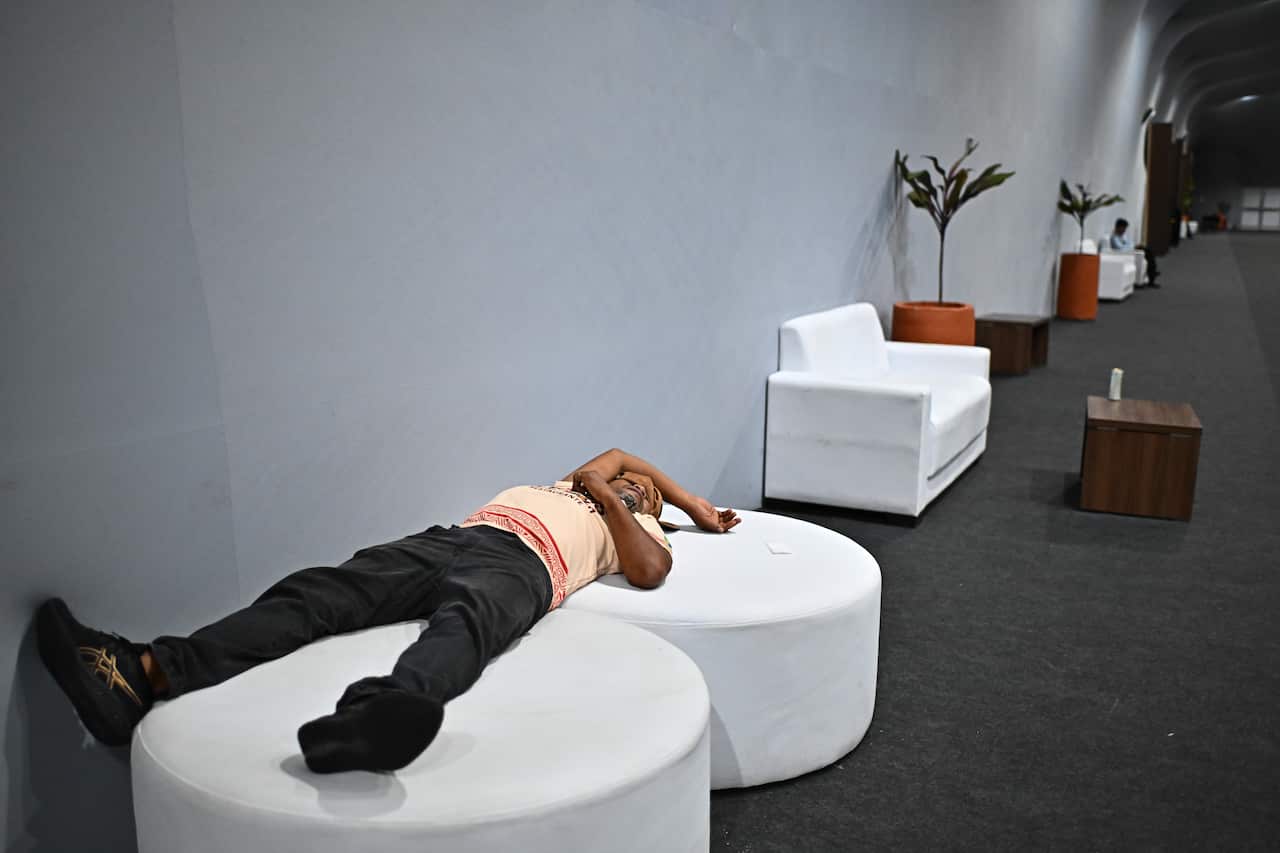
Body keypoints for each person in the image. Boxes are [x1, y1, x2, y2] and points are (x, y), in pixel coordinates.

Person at [36, 448, 740, 773]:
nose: (637, 485)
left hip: (525, 568)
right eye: (631, 482)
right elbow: (618, 453)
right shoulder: (570, 484)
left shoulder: (638, 530)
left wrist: (660, 507)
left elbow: (650, 573)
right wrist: (621, 482)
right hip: (453, 538)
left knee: (464, 631)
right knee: (320, 592)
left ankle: (374, 719)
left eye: (646, 491)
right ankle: (142, 671)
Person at [1109, 217, 1160, 288]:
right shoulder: (1114, 237)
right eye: (1123, 228)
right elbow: (1121, 249)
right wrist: (1132, 247)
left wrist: (1132, 246)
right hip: (1126, 254)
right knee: (1147, 252)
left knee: (1148, 252)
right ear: (1118, 227)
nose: (1124, 230)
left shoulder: (1122, 235)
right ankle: (1152, 274)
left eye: (1125, 228)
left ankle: (1152, 273)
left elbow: (1130, 243)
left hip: (1131, 251)